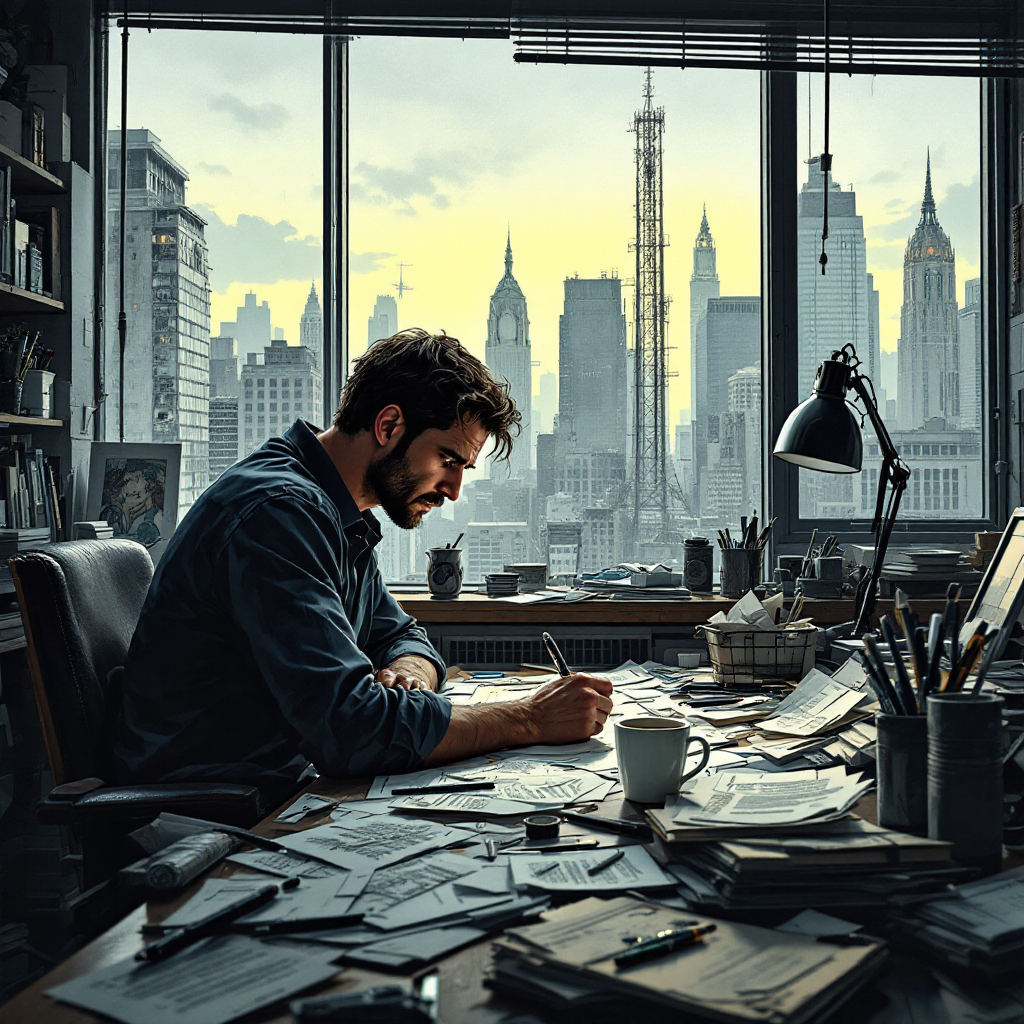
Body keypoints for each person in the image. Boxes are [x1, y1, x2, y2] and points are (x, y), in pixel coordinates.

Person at [114, 329, 613, 808]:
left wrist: (408, 675)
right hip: (212, 815)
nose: (454, 490)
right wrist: (529, 718)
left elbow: (401, 633)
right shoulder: (278, 513)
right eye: (447, 460)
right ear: (389, 426)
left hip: (291, 787)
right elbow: (351, 731)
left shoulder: (336, 512)